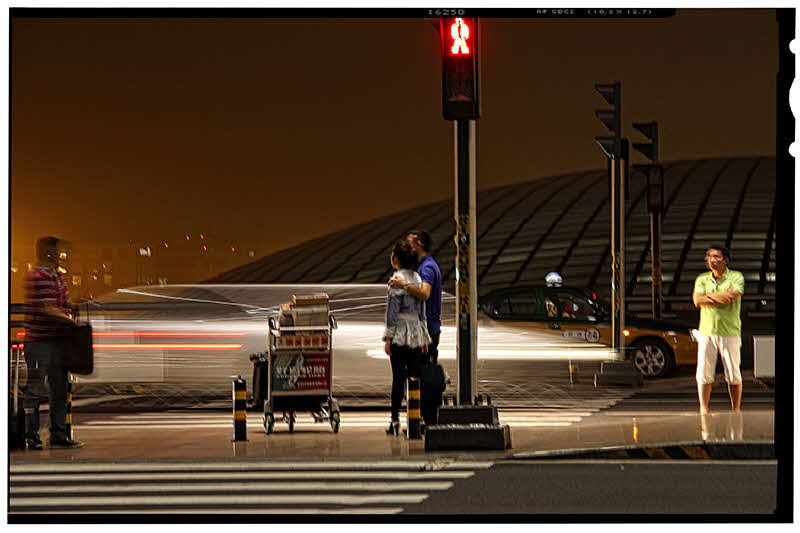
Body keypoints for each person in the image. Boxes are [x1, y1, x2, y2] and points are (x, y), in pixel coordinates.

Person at [22, 236, 83, 449]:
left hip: (57, 342)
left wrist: (73, 305)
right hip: (40, 343)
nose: (61, 256)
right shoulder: (38, 276)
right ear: (48, 253)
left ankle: (58, 434)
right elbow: (47, 308)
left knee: (59, 389)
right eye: (58, 252)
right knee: (35, 390)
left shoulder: (56, 275)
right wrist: (69, 321)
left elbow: (60, 302)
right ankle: (31, 435)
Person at [383, 240, 431, 436]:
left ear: (395, 259)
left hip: (400, 333)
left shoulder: (396, 280)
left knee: (398, 378)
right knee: (414, 377)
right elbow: (423, 312)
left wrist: (388, 338)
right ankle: (416, 418)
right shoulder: (418, 278)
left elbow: (392, 313)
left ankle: (395, 419)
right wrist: (425, 337)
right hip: (416, 332)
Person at [692, 245, 745, 414]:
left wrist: (707, 298)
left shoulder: (736, 276)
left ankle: (735, 409)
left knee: (733, 373)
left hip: (730, 332)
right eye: (709, 256)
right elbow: (697, 300)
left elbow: (731, 297)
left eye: (716, 256)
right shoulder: (702, 278)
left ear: (726, 260)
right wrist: (719, 297)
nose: (711, 259)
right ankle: (704, 409)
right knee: (704, 373)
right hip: (706, 332)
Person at [389, 230, 442, 364]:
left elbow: (424, 293)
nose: (407, 246)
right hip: (424, 328)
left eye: (409, 243)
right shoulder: (421, 266)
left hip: (428, 328)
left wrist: (403, 284)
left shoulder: (427, 268)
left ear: (418, 245)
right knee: (416, 373)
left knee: (419, 373)